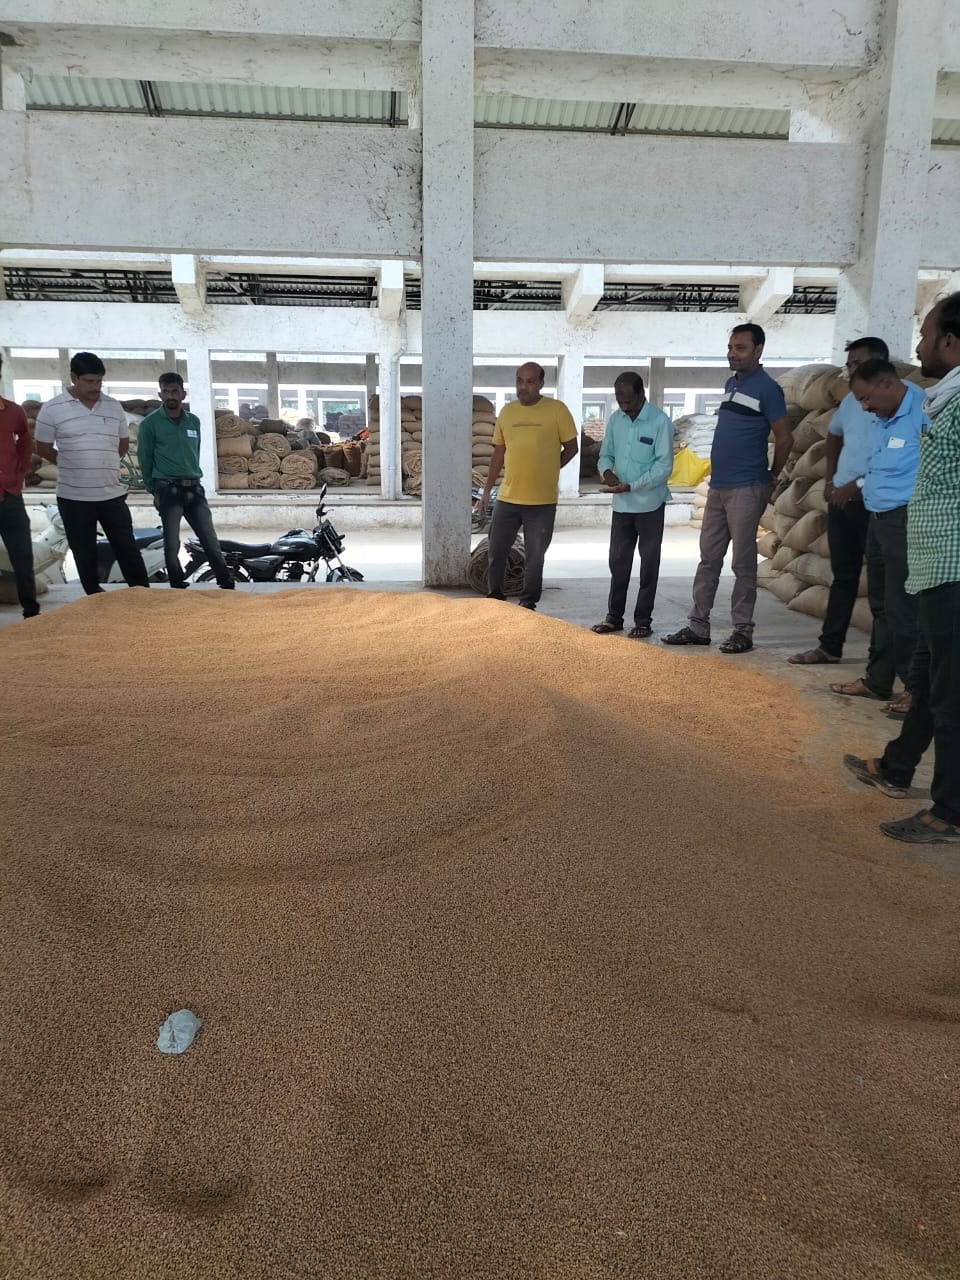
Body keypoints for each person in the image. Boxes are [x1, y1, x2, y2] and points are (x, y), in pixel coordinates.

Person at [842, 292, 960, 844]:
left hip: (953, 567)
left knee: (949, 693)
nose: (919, 345)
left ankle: (949, 812)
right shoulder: (946, 399)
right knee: (931, 678)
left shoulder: (949, 405)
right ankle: (896, 768)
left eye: (926, 334)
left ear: (950, 341)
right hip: (934, 565)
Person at [663, 324, 792, 653]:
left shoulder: (768, 389)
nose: (733, 354)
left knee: (742, 562)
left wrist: (772, 475)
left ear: (758, 350)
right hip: (719, 486)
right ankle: (698, 625)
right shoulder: (731, 384)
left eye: (741, 348)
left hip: (747, 486)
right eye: (731, 347)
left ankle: (742, 630)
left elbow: (784, 437)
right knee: (708, 558)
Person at [828, 359, 926, 707]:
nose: (865, 408)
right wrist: (860, 485)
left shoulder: (923, 411)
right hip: (878, 518)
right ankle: (878, 681)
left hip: (905, 519)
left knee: (904, 608)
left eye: (867, 398)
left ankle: (916, 689)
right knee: (881, 606)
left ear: (886, 384)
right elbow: (880, 465)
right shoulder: (885, 417)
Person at [789, 336, 889, 668]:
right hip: (842, 500)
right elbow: (834, 434)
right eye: (849, 366)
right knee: (843, 576)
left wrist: (858, 485)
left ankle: (881, 664)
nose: (851, 372)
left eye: (858, 364)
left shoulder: (902, 402)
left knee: (882, 586)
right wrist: (831, 480)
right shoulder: (849, 401)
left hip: (878, 503)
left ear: (880, 364)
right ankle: (830, 646)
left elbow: (897, 458)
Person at [34, 351, 150, 596]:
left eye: (99, 381)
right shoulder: (52, 409)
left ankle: (142, 595)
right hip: (73, 497)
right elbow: (42, 447)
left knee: (127, 548)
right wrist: (71, 462)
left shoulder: (112, 406)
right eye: (89, 381)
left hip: (111, 494)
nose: (95, 387)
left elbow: (122, 444)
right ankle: (94, 597)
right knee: (84, 552)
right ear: (74, 378)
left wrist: (101, 461)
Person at [479, 362, 578, 611]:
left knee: (534, 558)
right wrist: (487, 490)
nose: (523, 387)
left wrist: (551, 467)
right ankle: (495, 598)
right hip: (508, 498)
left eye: (530, 381)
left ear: (541, 384)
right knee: (496, 551)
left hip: (542, 502)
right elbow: (498, 453)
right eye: (520, 381)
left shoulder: (557, 410)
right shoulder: (507, 412)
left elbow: (572, 448)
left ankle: (528, 604)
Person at [590, 372, 673, 639]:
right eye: (619, 400)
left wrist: (633, 486)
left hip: (650, 505)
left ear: (641, 394)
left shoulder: (659, 421)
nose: (623, 405)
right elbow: (606, 454)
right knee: (618, 562)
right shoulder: (616, 420)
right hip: (622, 507)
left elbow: (664, 466)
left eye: (628, 400)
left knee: (648, 565)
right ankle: (614, 617)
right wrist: (607, 473)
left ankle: (643, 621)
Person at [137, 373, 235, 590]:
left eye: (175, 391)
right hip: (168, 490)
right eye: (166, 392)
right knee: (172, 543)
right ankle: (176, 584)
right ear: (160, 394)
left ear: (183, 394)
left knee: (209, 539)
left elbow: (195, 452)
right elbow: (144, 458)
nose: (170, 396)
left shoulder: (193, 421)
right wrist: (154, 489)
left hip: (194, 489)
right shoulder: (150, 424)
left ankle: (226, 583)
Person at [0, 354, 40, 618]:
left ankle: (31, 610)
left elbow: (25, 439)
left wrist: (22, 468)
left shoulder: (13, 411)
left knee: (22, 554)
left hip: (10, 495)